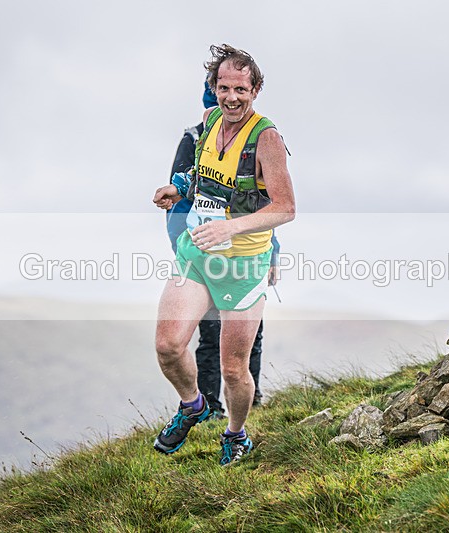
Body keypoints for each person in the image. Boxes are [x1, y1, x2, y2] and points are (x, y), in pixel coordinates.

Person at [152, 44, 295, 465]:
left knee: (235, 370)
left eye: (241, 89)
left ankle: (235, 434)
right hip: (199, 254)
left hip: (245, 266)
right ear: (213, 88)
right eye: (224, 87)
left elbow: (285, 208)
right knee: (167, 346)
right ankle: (192, 404)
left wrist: (230, 227)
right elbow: (201, 174)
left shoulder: (266, 138)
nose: (231, 97)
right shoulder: (210, 120)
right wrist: (179, 189)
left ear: (255, 90)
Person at [166, 80, 281, 418]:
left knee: (249, 335)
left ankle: (248, 402)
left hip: (247, 257)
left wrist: (272, 252)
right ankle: (209, 406)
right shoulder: (194, 139)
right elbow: (182, 197)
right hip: (204, 256)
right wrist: (188, 253)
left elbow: (263, 203)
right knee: (211, 331)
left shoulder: (255, 140)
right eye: (220, 94)